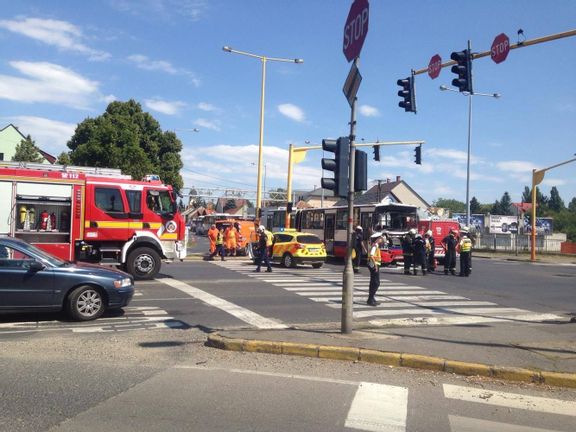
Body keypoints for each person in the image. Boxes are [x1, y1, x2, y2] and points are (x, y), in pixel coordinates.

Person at [367, 232, 384, 306]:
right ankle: (370, 299)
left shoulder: (375, 245)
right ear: (377, 239)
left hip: (374, 265)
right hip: (374, 265)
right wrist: (375, 266)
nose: (381, 239)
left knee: (373, 282)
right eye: (380, 238)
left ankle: (371, 298)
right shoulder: (375, 246)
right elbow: (371, 255)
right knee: (376, 283)